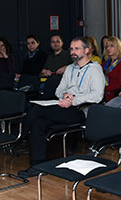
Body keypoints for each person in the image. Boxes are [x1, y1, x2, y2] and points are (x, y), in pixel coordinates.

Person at [17, 37, 105, 177]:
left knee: (38, 110)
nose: (73, 52)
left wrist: (74, 100)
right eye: (71, 49)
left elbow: (97, 96)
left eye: (77, 48)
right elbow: (58, 90)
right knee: (38, 124)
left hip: (80, 111)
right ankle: (37, 166)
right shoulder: (69, 68)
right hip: (64, 106)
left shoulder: (95, 69)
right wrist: (65, 94)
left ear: (86, 50)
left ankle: (18, 137)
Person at [101, 36, 121, 102]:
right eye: (107, 46)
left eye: (112, 46)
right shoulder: (104, 63)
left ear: (118, 48)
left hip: (116, 95)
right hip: (102, 93)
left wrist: (105, 88)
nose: (108, 48)